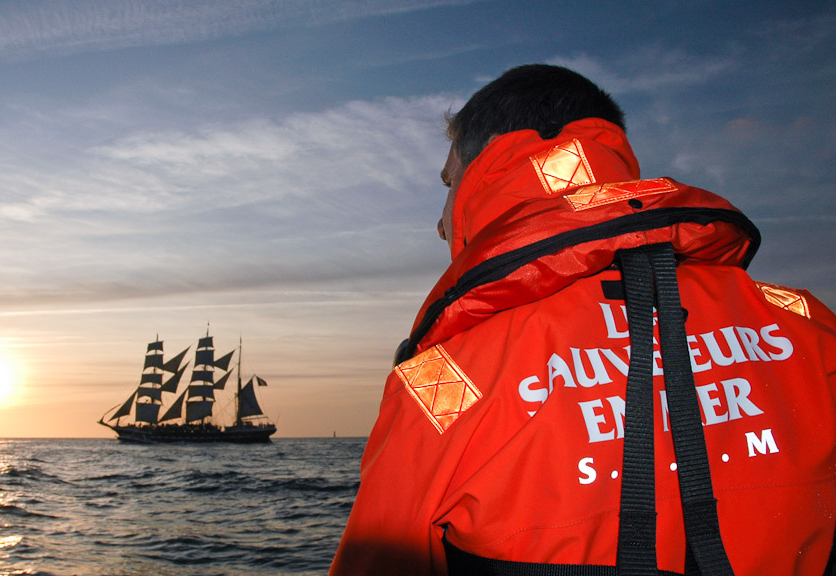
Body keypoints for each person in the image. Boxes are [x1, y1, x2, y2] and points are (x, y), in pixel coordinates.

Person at [330, 64, 836, 575]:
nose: (440, 225)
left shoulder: (440, 387)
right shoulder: (809, 326)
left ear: (481, 172)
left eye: (449, 182)